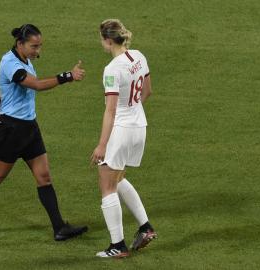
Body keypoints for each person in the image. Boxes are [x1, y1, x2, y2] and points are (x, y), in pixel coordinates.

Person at [0, 24, 88, 241]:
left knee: (44, 177)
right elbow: (36, 85)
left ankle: (59, 228)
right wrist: (67, 76)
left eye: (39, 46)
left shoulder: (24, 59)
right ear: (20, 44)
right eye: (34, 46)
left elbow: (5, 89)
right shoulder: (9, 62)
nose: (37, 51)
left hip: (29, 128)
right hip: (11, 130)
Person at [91, 19, 157, 258]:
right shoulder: (139, 56)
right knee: (117, 179)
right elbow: (147, 91)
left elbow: (110, 110)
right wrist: (132, 111)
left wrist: (102, 145)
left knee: (107, 185)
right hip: (140, 126)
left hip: (121, 130)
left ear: (108, 40)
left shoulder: (112, 69)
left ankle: (117, 245)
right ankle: (145, 226)